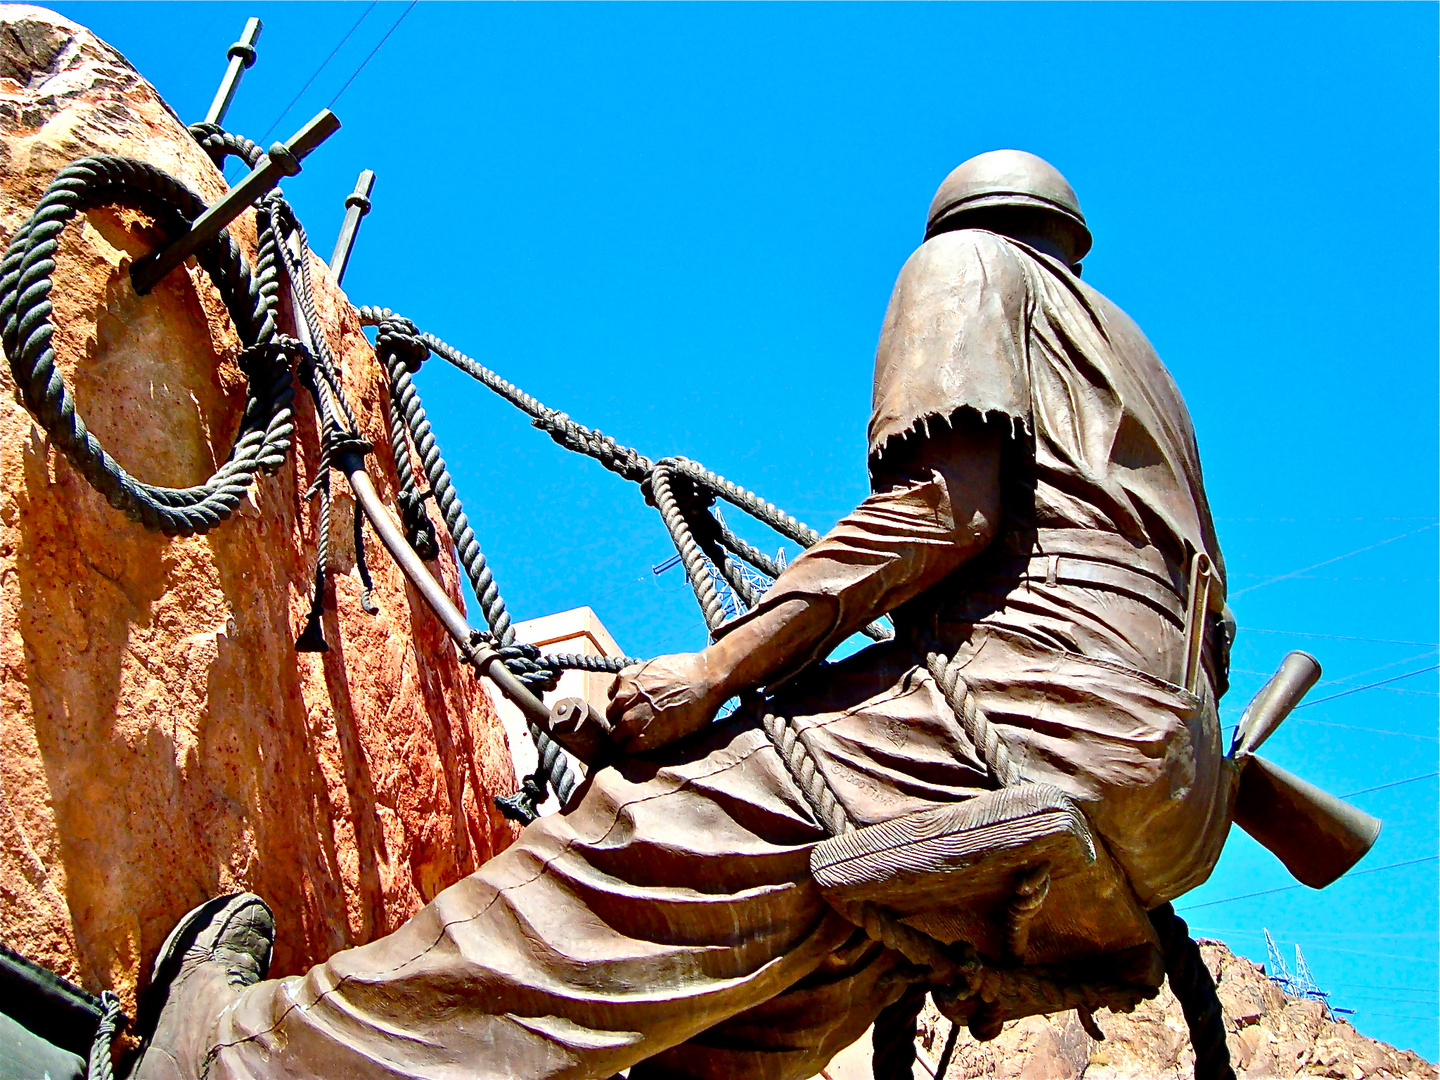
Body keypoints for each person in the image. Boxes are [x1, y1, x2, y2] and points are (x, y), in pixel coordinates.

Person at [132, 149, 1231, 1080]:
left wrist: (709, 676)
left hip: (1033, 706)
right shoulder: (1152, 380)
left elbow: (944, 510)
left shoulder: (967, 265)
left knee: (636, 837)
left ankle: (238, 1058)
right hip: (1173, 786)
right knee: (764, 999)